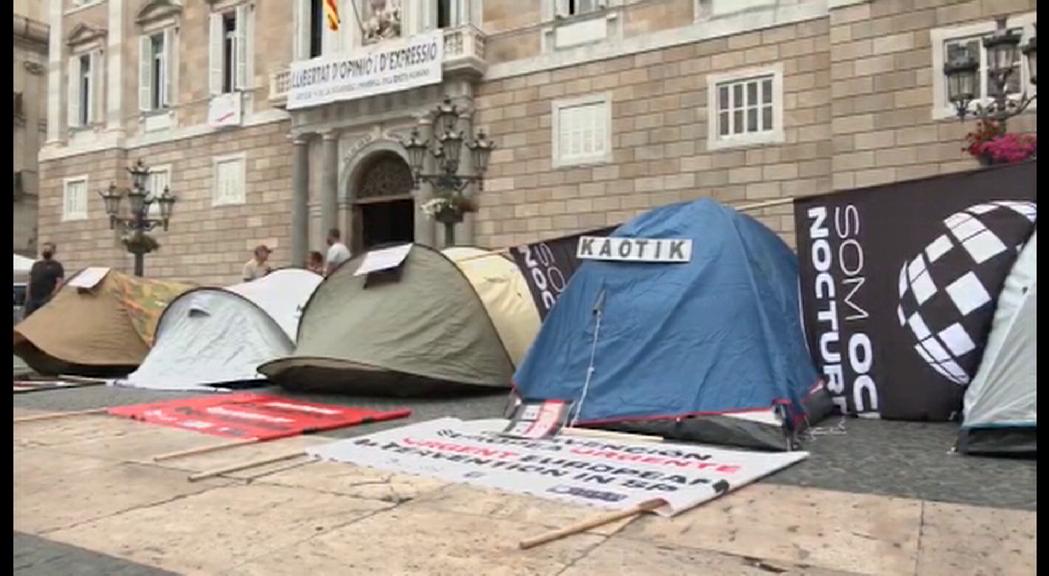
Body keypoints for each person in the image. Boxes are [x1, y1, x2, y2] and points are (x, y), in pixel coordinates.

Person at [24, 242, 64, 318]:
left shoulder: (57, 266)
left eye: (48, 249)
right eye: (44, 249)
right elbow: (30, 280)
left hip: (46, 299)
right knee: (28, 321)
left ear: (53, 251)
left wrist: (52, 296)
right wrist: (27, 296)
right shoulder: (36, 265)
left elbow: (60, 282)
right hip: (32, 299)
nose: (46, 251)